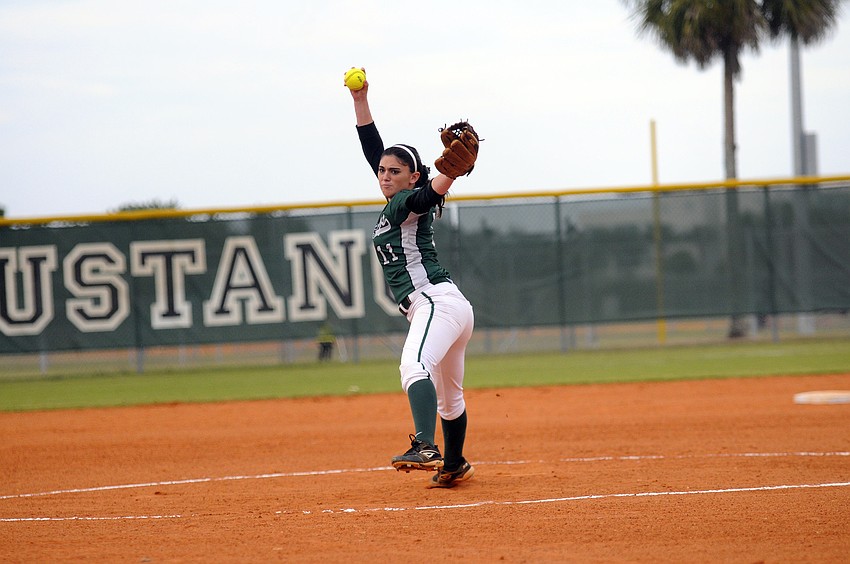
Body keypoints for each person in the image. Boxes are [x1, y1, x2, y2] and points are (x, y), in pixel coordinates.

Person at [347, 71, 476, 488]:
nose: (384, 176)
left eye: (394, 171)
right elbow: (372, 146)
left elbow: (428, 195)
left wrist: (449, 175)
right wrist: (360, 100)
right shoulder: (395, 192)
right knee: (449, 396)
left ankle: (425, 444)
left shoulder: (408, 200)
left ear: (412, 175)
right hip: (451, 305)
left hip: (433, 302)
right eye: (381, 171)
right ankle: (454, 463)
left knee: (413, 365)